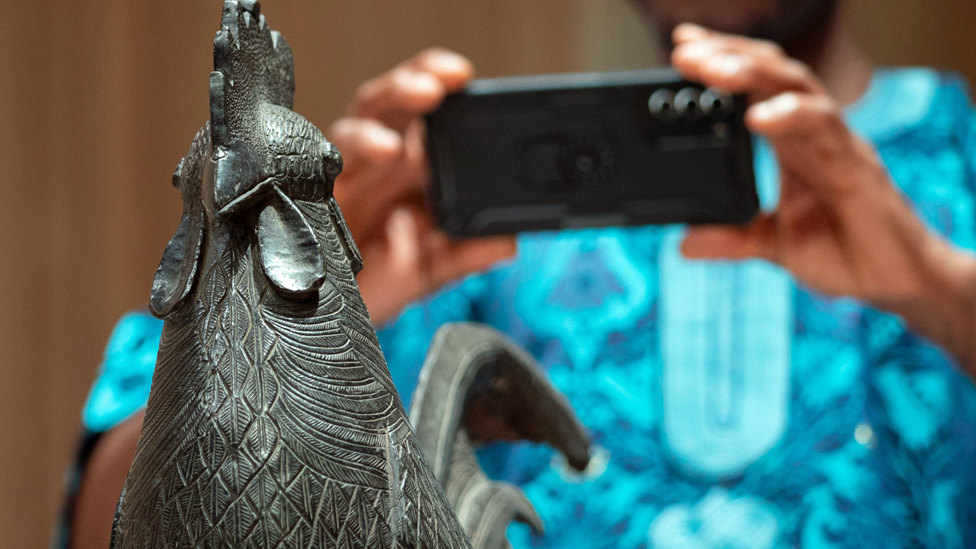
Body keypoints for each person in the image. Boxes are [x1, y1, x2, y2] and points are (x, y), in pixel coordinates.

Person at [62, 0, 976, 547]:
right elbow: (111, 516)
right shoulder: (451, 219)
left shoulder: (958, 162)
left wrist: (936, 285)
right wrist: (307, 299)